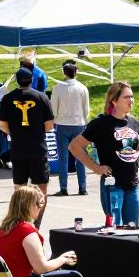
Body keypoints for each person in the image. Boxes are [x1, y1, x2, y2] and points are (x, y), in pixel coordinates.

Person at [70, 81, 139, 227]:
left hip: (132, 185)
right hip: (113, 185)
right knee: (115, 229)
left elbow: (137, 147)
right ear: (114, 101)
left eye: (132, 97)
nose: (131, 100)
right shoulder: (101, 124)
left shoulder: (133, 121)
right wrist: (96, 168)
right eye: (126, 97)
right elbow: (75, 146)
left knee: (133, 229)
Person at [0, 67, 54, 227]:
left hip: (18, 149)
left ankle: (19, 223)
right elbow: (49, 125)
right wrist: (35, 132)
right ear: (32, 80)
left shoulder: (8, 99)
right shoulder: (41, 97)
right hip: (38, 149)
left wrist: (17, 133)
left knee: (19, 189)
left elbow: (3, 125)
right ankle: (36, 224)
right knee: (41, 189)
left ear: (17, 80)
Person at [50, 59, 90, 197]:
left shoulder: (57, 88)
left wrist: (55, 120)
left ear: (64, 73)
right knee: (80, 157)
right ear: (76, 72)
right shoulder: (83, 88)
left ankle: (63, 187)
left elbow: (53, 108)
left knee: (63, 158)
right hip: (79, 124)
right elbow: (86, 109)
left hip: (62, 124)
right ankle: (82, 187)